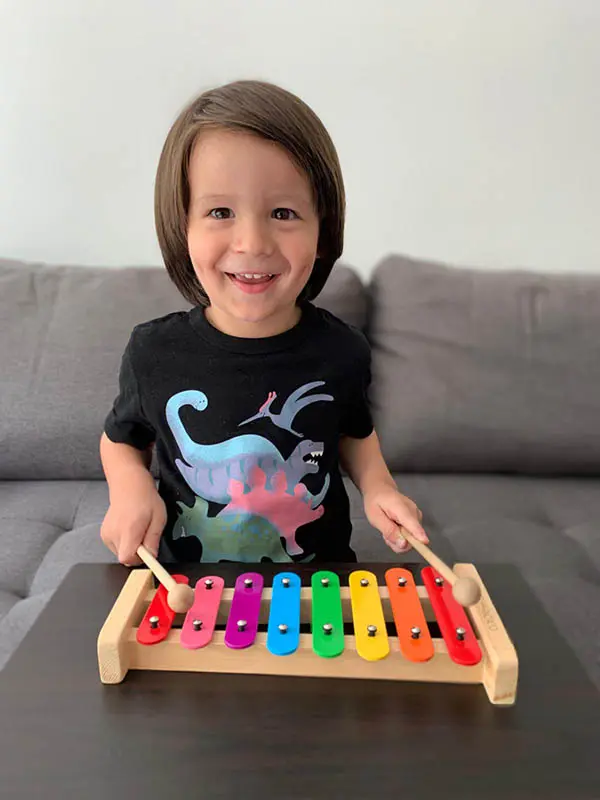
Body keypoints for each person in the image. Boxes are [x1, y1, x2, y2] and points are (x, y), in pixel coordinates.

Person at [99, 79, 429, 567]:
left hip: (320, 590)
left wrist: (380, 489)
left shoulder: (343, 351)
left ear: (323, 231)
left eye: (283, 212)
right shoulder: (152, 352)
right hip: (188, 592)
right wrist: (129, 491)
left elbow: (353, 434)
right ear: (181, 227)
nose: (252, 242)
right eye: (219, 211)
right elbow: (120, 441)